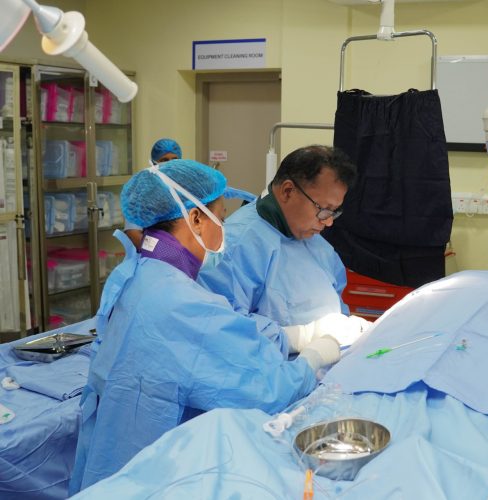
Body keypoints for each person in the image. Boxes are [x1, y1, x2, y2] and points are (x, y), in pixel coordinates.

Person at [69, 159, 340, 494]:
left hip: (112, 457)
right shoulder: (182, 303)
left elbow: (221, 332)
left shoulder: (135, 273)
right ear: (196, 218)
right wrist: (313, 356)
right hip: (153, 472)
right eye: (221, 220)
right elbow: (268, 390)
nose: (223, 231)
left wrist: (289, 337)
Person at [199, 145, 370, 356]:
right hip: (270, 370)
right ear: (288, 191)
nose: (328, 222)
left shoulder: (315, 243)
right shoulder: (233, 246)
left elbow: (337, 301)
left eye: (334, 212)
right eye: (324, 209)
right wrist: (301, 337)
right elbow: (226, 332)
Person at [123, 138, 184, 248]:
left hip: (183, 252)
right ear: (154, 162)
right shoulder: (140, 191)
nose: (170, 164)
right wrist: (158, 251)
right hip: (152, 253)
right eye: (164, 160)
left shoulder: (186, 188)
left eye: (175, 159)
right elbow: (133, 233)